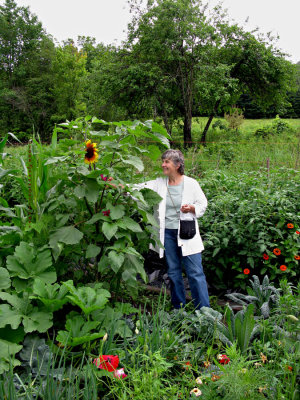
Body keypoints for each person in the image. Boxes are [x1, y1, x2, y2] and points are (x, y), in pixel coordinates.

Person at [132, 149, 210, 310]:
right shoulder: (159, 183)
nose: (163, 164)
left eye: (167, 161)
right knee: (174, 272)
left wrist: (192, 208)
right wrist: (117, 185)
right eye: (163, 161)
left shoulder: (191, 183)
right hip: (166, 233)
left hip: (187, 233)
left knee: (195, 273)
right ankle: (178, 308)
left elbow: (203, 204)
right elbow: (138, 189)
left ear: (178, 164)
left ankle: (204, 311)